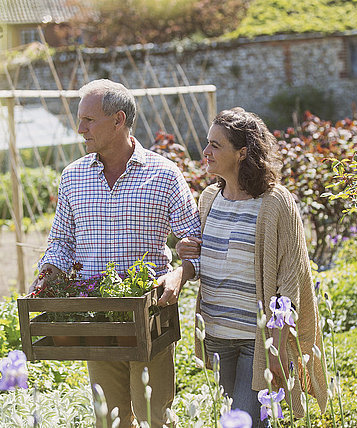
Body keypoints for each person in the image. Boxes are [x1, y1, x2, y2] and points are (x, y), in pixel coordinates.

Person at [32, 79, 201, 428]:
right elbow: (62, 241)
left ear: (118, 119)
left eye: (88, 120)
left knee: (155, 417)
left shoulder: (164, 175)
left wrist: (181, 273)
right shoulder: (73, 177)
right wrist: (49, 271)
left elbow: (194, 241)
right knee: (108, 420)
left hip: (148, 316)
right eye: (80, 120)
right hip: (96, 318)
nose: (80, 129)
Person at [177, 108, 328, 424]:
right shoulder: (208, 199)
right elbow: (206, 262)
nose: (205, 152)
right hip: (217, 334)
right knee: (238, 418)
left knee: (244, 420)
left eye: (216, 145)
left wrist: (276, 343)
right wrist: (186, 252)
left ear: (242, 152)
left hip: (256, 339)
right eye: (208, 143)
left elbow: (291, 277)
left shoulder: (275, 202)